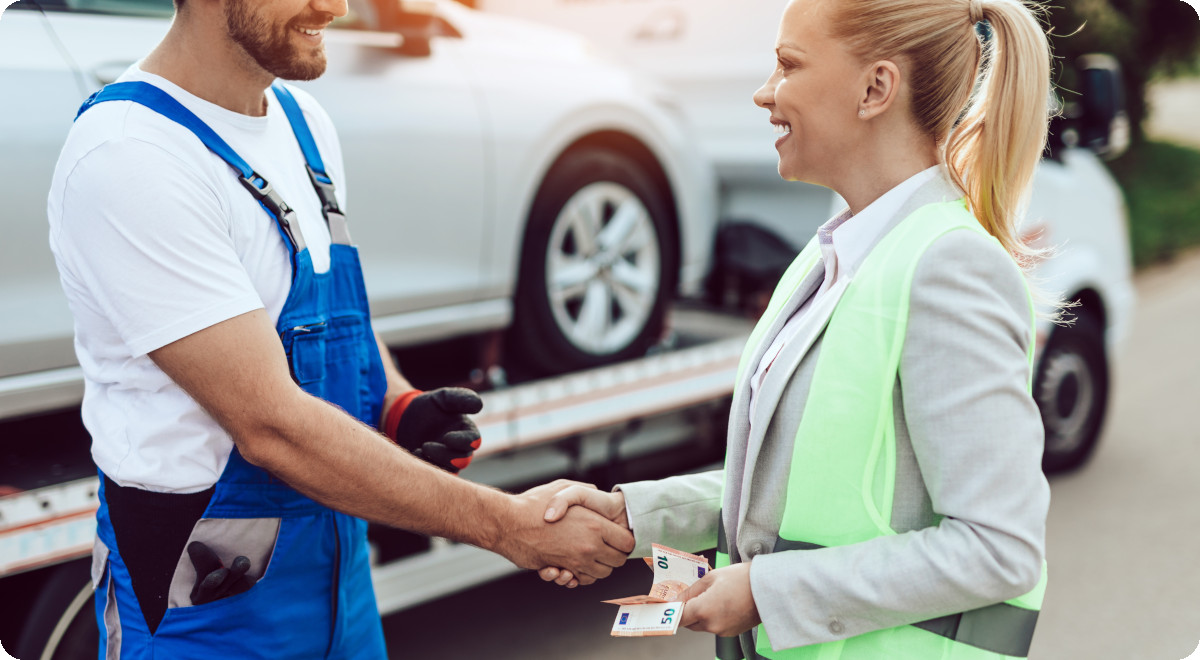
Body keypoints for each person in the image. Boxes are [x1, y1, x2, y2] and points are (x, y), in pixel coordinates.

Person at [46, 0, 632, 656]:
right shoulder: (135, 154)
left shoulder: (303, 122)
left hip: (341, 583)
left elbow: (325, 306)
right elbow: (269, 426)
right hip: (204, 610)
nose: (338, 7)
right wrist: (510, 526)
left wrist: (394, 400)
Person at [540, 0, 1054, 657]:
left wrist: (764, 592)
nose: (764, 93)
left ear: (875, 89)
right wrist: (633, 515)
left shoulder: (952, 267)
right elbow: (791, 490)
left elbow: (998, 550)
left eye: (787, 65)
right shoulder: (825, 257)